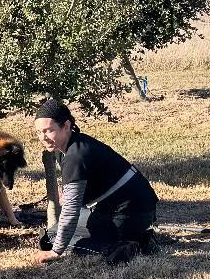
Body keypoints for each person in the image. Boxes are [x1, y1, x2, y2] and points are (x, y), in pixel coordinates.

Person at [32, 98, 160, 267]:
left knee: (51, 238)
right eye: (39, 132)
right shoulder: (72, 144)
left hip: (130, 213)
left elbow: (71, 210)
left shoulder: (75, 156)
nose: (43, 138)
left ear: (66, 126)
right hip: (138, 209)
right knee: (60, 231)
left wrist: (56, 251)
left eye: (49, 131)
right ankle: (137, 238)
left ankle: (131, 246)